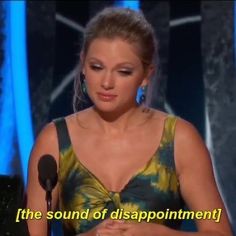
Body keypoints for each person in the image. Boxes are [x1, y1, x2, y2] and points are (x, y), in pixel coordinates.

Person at [26, 6, 233, 236]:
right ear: (83, 65)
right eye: (96, 67)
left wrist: (157, 233)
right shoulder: (53, 140)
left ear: (145, 76)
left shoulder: (179, 139)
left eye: (123, 71)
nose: (106, 82)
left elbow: (219, 232)